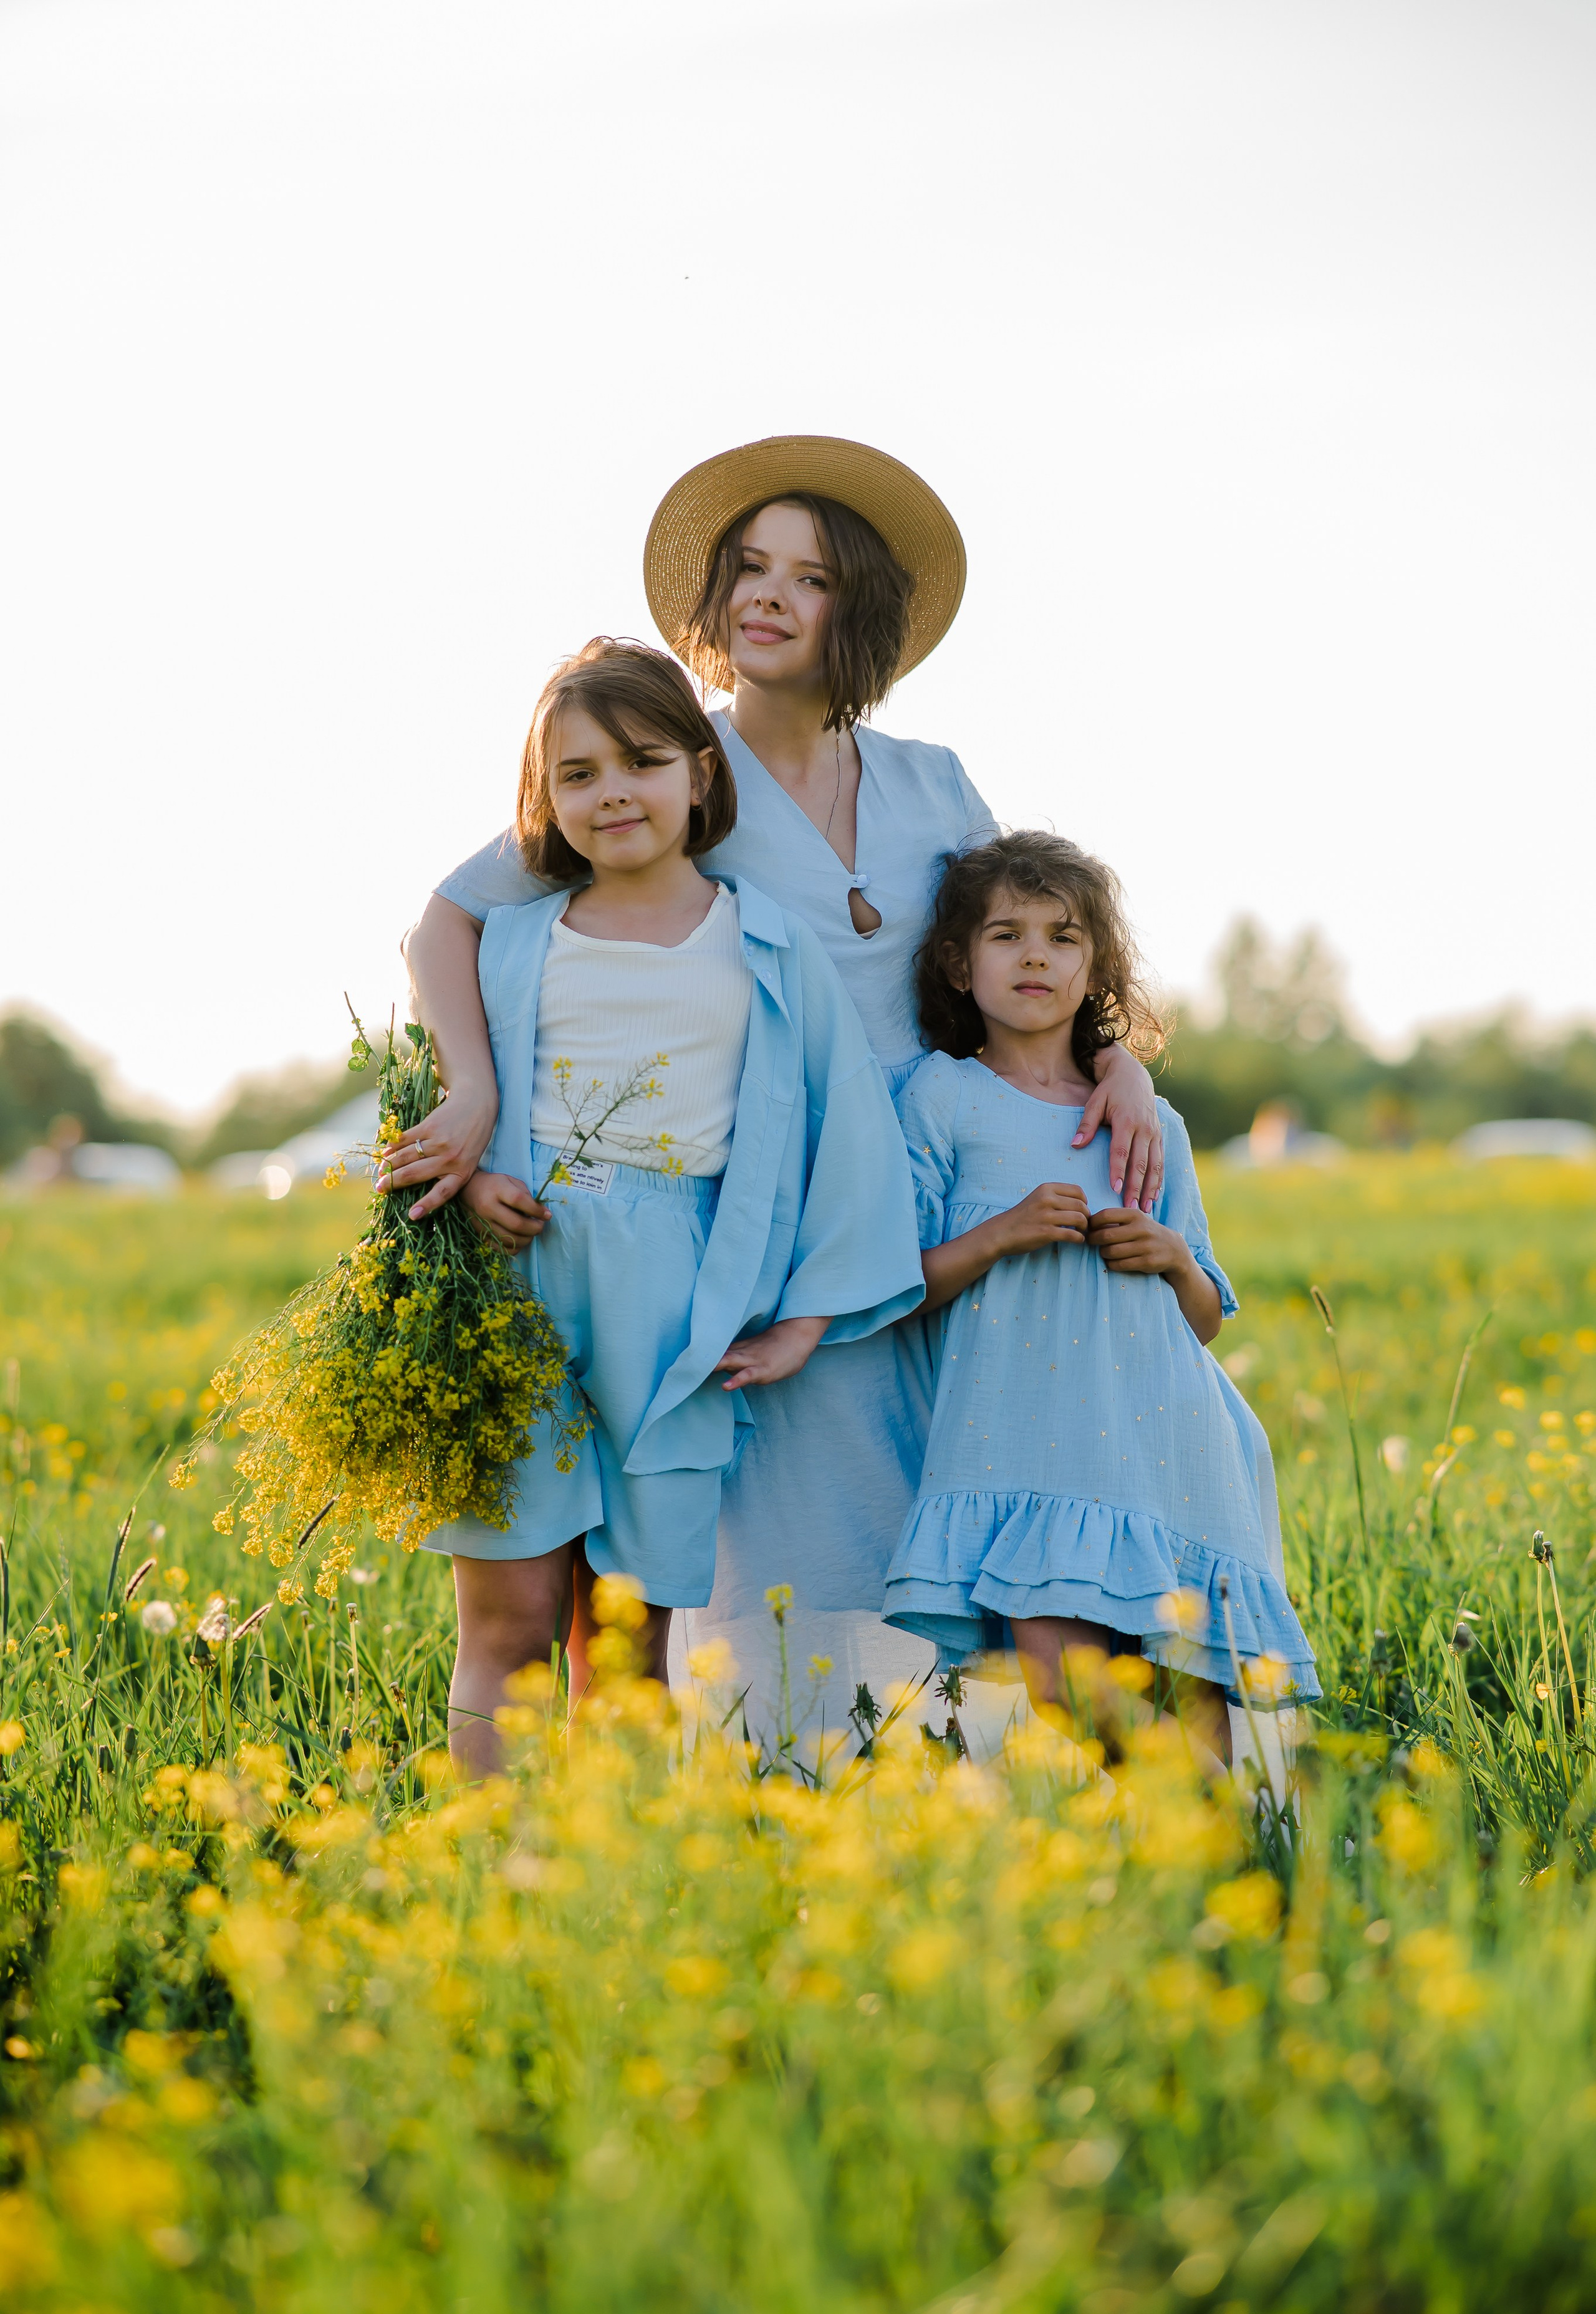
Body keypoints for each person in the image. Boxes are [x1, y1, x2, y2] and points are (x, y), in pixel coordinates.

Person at [388, 437, 1166, 1747]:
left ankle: (956, 1779)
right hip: (761, 1200)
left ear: (858, 611)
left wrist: (1117, 1059)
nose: (767, 595)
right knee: (763, 1516)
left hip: (941, 1190)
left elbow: (1031, 945)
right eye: (749, 568)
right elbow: (450, 922)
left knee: (955, 1489)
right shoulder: (667, 766)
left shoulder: (933, 780)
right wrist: (471, 1097)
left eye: (808, 577)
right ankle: (779, 1774)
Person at [430, 638, 923, 1776]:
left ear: (702, 773)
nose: (612, 793)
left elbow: (847, 1128)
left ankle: (612, 1860)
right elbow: (449, 1091)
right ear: (545, 802)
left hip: (677, 1309)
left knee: (625, 1638)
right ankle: (491, 1856)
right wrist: (479, 1172)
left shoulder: (763, 943)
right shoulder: (515, 940)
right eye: (578, 775)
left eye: (642, 762)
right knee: (508, 1622)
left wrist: (806, 1318)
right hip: (518, 1284)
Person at [883, 830, 1319, 1759]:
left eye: (1064, 937)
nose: (1035, 956)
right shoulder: (941, 1097)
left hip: (1168, 1446)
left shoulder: (1150, 1121)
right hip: (1025, 1454)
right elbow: (895, 1287)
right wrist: (1000, 1234)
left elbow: (1204, 1321)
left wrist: (1174, 1258)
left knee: (1189, 1697)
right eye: (1006, 935)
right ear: (959, 965)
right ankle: (1214, 1825)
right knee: (1063, 1686)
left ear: (1096, 971)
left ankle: (1215, 1848)